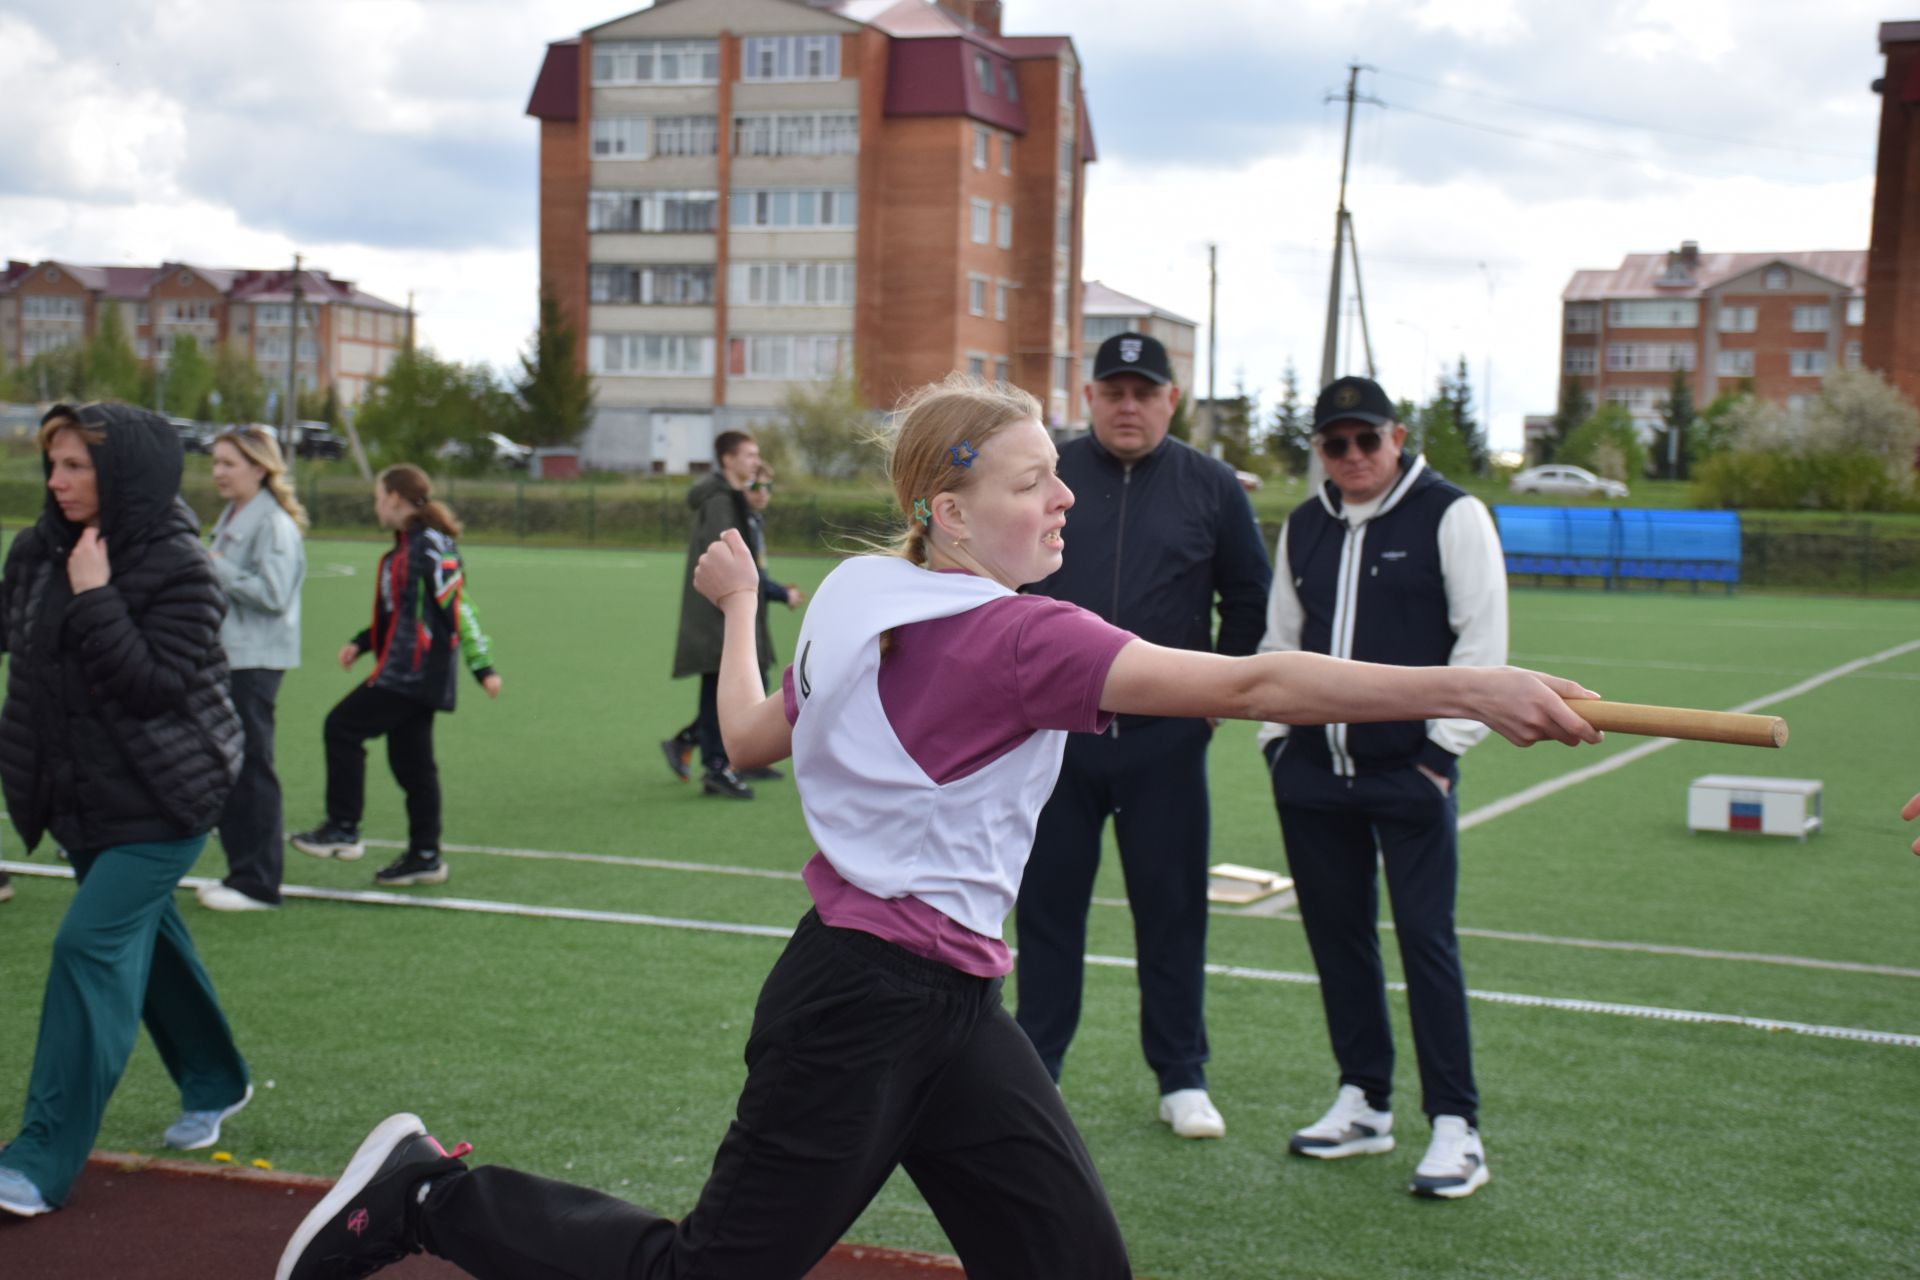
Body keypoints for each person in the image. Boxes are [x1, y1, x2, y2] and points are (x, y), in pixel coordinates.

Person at [276, 375, 1600, 1280]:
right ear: (953, 513)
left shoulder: (867, 589)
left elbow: (744, 738)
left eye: (1059, 477)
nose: (1066, 497)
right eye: (1037, 482)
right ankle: (431, 1193)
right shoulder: (1023, 635)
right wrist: (1467, 683)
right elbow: (1250, 679)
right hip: (864, 1006)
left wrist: (741, 608)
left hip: (949, 1003)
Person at [1257, 375, 1510, 1200]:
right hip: (1313, 777)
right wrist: (1276, 747)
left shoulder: (1452, 514)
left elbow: (1483, 644)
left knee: (1425, 943)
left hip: (1411, 775)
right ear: (1321, 451)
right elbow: (1279, 639)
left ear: (1397, 437)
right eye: (1336, 443)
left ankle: (1456, 1126)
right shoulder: (1304, 524)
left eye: (1368, 439)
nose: (1354, 456)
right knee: (1338, 941)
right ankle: (1365, 1101)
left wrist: (1441, 755)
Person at [1014, 331, 1271, 1140]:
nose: (1129, 405)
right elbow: (1000, 584)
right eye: (1114, 390)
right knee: (1048, 910)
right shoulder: (1045, 476)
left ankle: (1182, 1075)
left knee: (1171, 909)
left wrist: (1210, 703)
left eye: (1145, 391)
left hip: (1165, 743)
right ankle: (1036, 1068)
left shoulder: (1211, 486)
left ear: (1171, 400)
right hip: (1056, 740)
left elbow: (1250, 602)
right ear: (1089, 396)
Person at [0, 403, 250, 1219]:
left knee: (88, 944)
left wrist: (98, 596)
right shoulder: (39, 549)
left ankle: (37, 1162)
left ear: (124, 473)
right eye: (54, 464)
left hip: (168, 799)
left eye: (76, 465)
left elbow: (153, 686)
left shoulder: (181, 565)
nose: (58, 481)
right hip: (81, 802)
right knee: (150, 941)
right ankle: (218, 1077)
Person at [287, 465, 500, 888]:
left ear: (396, 498)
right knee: (413, 765)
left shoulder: (429, 549)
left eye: (378, 497)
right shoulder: (403, 550)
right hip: (407, 671)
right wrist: (363, 641)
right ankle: (425, 856)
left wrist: (483, 667)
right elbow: (400, 611)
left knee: (342, 727)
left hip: (412, 674)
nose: (375, 506)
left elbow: (459, 607)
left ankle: (343, 828)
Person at [197, 427, 308, 912]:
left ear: (259, 468)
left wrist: (215, 567)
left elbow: (274, 594)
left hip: (254, 659)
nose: (218, 472)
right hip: (230, 657)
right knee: (229, 766)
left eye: (229, 463)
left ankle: (259, 883)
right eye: (216, 462)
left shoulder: (273, 523)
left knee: (252, 769)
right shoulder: (236, 513)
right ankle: (242, 871)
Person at [664, 462, 805, 782]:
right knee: (728, 697)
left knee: (754, 689)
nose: (763, 494)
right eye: (757, 486)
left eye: (769, 487)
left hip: (746, 617)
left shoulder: (752, 518)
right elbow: (743, 575)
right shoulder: (727, 513)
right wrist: (782, 593)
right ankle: (714, 763)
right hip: (722, 621)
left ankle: (707, 748)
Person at [661, 431, 770, 800]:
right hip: (717, 612)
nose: (755, 461)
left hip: (729, 609)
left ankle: (725, 753)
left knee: (743, 684)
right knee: (718, 692)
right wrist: (766, 592)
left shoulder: (733, 498)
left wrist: (753, 504)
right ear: (728, 460)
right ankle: (716, 767)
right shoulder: (720, 501)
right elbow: (724, 558)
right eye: (749, 455)